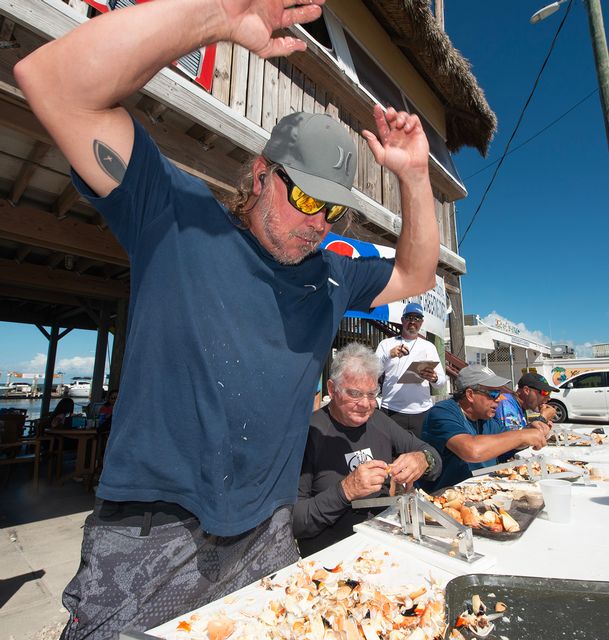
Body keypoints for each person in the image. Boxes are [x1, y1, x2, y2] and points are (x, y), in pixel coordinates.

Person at [14, 0, 439, 636]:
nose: (317, 222)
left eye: (334, 212)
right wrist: (216, 16)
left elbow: (417, 274)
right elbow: (52, 80)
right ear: (262, 175)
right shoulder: (177, 218)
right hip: (152, 532)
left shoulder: (331, 274)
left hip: (267, 531)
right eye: (304, 198)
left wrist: (413, 177)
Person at [294, 343, 441, 557]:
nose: (365, 404)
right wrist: (345, 491)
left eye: (372, 395)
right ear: (332, 389)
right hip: (331, 561)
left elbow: (434, 458)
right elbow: (294, 523)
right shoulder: (309, 434)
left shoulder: (379, 420)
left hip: (385, 549)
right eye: (355, 394)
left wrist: (422, 459)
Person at [420, 365, 549, 491]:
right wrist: (522, 436)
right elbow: (471, 450)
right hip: (442, 498)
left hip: (480, 492)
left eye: (500, 392)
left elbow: (509, 446)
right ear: (470, 395)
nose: (499, 399)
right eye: (493, 393)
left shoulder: (486, 418)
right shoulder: (442, 412)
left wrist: (528, 431)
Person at [376, 302, 446, 438]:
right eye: (409, 317)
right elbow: (373, 372)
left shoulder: (429, 346)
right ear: (402, 320)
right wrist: (388, 355)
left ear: (422, 322)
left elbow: (442, 381)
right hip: (391, 409)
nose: (413, 322)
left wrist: (434, 378)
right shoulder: (386, 344)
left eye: (417, 318)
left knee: (420, 454)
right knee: (391, 453)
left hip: (422, 411)